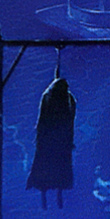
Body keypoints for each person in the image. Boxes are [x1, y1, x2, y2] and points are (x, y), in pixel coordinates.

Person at [26, 76, 76, 209]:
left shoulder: (52, 98)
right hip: (55, 141)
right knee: (51, 166)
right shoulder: (62, 100)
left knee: (52, 166)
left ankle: (50, 194)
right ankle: (49, 194)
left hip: (54, 141)